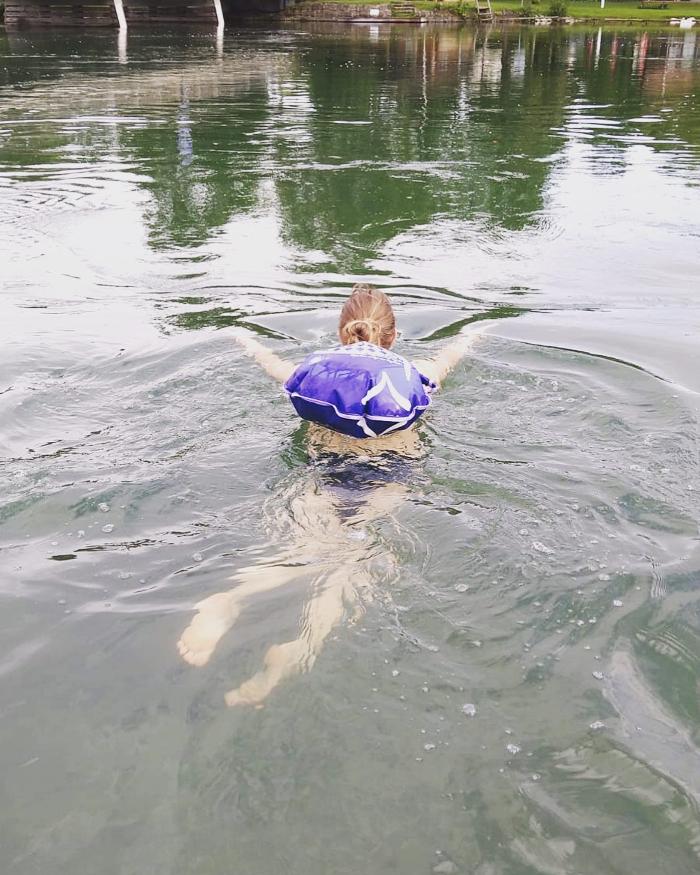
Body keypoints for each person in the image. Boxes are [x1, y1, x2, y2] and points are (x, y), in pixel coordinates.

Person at [177, 284, 483, 706]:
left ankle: (228, 599)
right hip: (387, 474)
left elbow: (270, 363)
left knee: (293, 552)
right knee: (352, 568)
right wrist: (475, 334)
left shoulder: (318, 373)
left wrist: (242, 337)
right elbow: (451, 356)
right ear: (393, 337)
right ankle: (305, 643)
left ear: (343, 334)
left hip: (323, 470)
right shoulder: (414, 374)